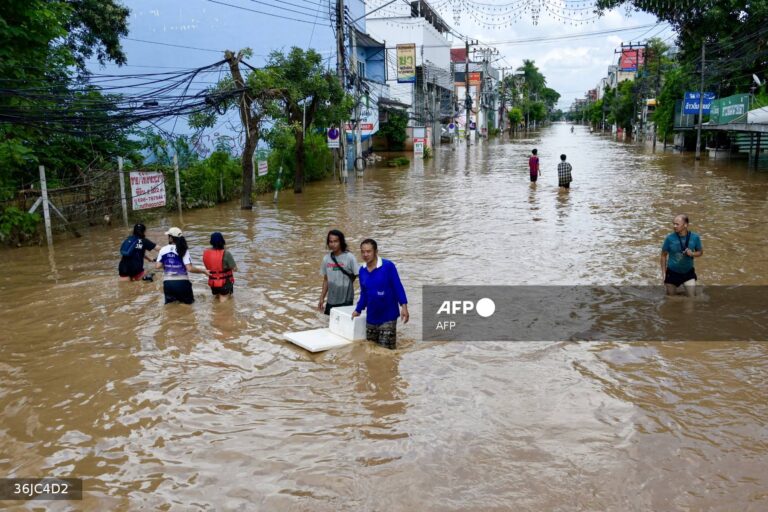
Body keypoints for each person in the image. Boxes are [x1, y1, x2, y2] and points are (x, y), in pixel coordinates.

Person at [351, 239, 409, 350]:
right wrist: (357, 310)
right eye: (363, 252)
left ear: (376, 251)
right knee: (372, 350)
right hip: (371, 317)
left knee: (387, 352)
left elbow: (398, 287)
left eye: (368, 251)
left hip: (388, 316)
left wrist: (404, 307)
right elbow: (364, 294)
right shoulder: (362, 270)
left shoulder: (388, 266)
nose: (365, 254)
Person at [155, 227, 209, 304]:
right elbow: (189, 268)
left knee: (170, 308)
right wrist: (203, 271)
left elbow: (157, 266)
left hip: (168, 284)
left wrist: (168, 262)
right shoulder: (184, 249)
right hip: (182, 283)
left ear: (171, 238)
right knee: (189, 307)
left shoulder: (163, 250)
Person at [660, 214, 703, 296]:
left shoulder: (695, 237)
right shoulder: (669, 238)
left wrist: (692, 253)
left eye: (677, 224)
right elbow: (663, 255)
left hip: (688, 272)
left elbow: (700, 252)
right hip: (672, 273)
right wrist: (664, 274)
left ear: (685, 225)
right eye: (673, 224)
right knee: (671, 298)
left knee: (692, 297)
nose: (674, 226)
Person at [318, 230, 358, 315]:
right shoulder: (326, 259)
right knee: (328, 322)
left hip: (346, 300)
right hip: (331, 299)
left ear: (341, 242)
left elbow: (358, 275)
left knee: (344, 323)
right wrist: (322, 298)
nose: (333, 244)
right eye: (331, 241)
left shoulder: (350, 257)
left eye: (336, 241)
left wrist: (347, 283)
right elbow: (326, 280)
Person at [203, 232, 238, 302]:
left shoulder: (206, 253)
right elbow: (235, 269)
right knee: (223, 306)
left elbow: (208, 267)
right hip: (224, 283)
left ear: (211, 242)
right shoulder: (226, 253)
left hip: (213, 283)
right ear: (222, 241)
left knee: (216, 301)